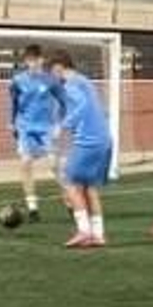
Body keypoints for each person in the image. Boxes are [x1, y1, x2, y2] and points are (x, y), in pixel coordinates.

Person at [50, 49, 115, 248]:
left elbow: (82, 106)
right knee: (89, 188)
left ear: (59, 67)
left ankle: (84, 231)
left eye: (51, 71)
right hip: (105, 139)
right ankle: (98, 234)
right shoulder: (85, 81)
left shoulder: (71, 85)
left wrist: (63, 125)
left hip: (89, 141)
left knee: (69, 182)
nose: (51, 76)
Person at [9, 43, 64, 222]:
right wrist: (11, 123)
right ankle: (33, 209)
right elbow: (13, 104)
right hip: (25, 127)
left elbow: (64, 103)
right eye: (28, 61)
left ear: (41, 60)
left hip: (46, 128)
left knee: (54, 165)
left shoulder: (50, 80)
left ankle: (70, 200)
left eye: (34, 60)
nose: (31, 64)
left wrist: (59, 125)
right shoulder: (17, 81)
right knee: (25, 163)